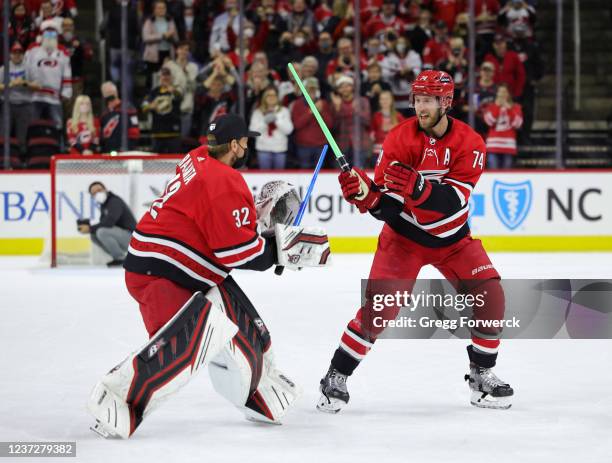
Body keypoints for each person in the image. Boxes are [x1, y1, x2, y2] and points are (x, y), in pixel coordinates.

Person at [87, 114, 330, 438]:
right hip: (160, 273)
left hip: (174, 265)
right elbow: (237, 254)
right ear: (233, 145)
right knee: (193, 337)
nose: (247, 146)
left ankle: (261, 394)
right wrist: (279, 250)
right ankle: (116, 401)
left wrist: (255, 227)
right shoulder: (225, 183)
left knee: (243, 323)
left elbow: (211, 223)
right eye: (244, 141)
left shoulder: (198, 156)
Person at [317, 70, 514, 414]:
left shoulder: (470, 143)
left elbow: (453, 202)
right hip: (404, 238)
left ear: (446, 103)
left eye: (428, 100)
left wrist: (419, 189)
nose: (420, 107)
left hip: (454, 238)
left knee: (491, 294)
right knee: (379, 311)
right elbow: (389, 209)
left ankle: (482, 373)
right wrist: (368, 198)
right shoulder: (398, 140)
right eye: (418, 99)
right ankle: (336, 375)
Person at [24, 19, 72, 132]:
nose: (50, 35)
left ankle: (60, 146)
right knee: (31, 125)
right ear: (42, 34)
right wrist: (27, 85)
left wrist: (66, 91)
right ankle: (30, 147)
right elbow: (26, 68)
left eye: (53, 33)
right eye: (47, 32)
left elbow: (67, 72)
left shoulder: (63, 51)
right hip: (35, 95)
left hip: (54, 97)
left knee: (58, 126)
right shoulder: (32, 49)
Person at [77, 181, 136, 267]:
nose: (97, 193)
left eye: (99, 190)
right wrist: (91, 229)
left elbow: (109, 222)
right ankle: (118, 258)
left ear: (105, 189)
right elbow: (104, 222)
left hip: (133, 238)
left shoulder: (114, 201)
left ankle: (121, 259)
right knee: (94, 235)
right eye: (94, 193)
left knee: (102, 232)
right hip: (124, 237)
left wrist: (90, 228)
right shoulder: (104, 205)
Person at [330, 75, 371, 168]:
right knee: (343, 174)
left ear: (352, 87)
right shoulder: (335, 103)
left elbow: (367, 121)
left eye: (347, 85)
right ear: (338, 89)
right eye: (341, 86)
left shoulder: (363, 101)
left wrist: (355, 110)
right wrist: (337, 108)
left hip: (360, 144)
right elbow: (333, 127)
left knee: (360, 174)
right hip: (342, 145)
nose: (344, 89)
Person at [291, 77, 333, 168]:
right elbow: (297, 125)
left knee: (319, 173)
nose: (312, 93)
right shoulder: (298, 104)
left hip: (320, 145)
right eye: (309, 90)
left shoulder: (323, 104)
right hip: (303, 146)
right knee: (304, 172)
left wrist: (321, 111)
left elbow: (329, 124)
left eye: (314, 90)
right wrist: (311, 112)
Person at [249, 85, 293, 169]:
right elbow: (252, 132)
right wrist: (264, 122)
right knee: (265, 178)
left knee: (279, 178)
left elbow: (289, 130)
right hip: (263, 149)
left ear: (277, 97)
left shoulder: (284, 111)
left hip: (280, 149)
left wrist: (277, 120)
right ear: (264, 97)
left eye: (274, 95)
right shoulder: (258, 112)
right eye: (269, 95)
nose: (271, 97)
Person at [0, 42, 33, 153]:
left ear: (23, 54)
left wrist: (24, 83)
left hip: (24, 105)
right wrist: (10, 85)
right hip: (8, 105)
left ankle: (21, 160)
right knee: (4, 133)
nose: (17, 55)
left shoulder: (28, 67)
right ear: (10, 54)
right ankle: (4, 159)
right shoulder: (4, 68)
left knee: (22, 136)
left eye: (19, 53)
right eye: (15, 53)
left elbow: (38, 85)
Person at [142, 67, 183, 154]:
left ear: (171, 78)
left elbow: (180, 97)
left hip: (173, 133)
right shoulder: (154, 92)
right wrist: (150, 106)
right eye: (163, 76)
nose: (165, 78)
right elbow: (143, 105)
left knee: (174, 160)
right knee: (156, 162)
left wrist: (173, 90)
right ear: (160, 78)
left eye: (167, 76)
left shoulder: (176, 89)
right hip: (157, 133)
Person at [483, 84, 523, 169]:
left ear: (508, 94)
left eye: (504, 92)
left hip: (508, 146)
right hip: (493, 145)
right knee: (493, 174)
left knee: (506, 175)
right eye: (500, 92)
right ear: (497, 93)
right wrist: (497, 107)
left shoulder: (516, 107)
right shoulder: (491, 107)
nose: (502, 94)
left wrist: (509, 109)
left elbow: (517, 124)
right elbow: (489, 122)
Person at [99, 81, 140, 153]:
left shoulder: (128, 108)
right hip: (108, 152)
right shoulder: (104, 114)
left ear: (116, 92)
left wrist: (128, 148)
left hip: (125, 151)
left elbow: (135, 132)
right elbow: (102, 135)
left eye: (110, 91)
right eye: (105, 92)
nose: (108, 94)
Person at [370, 90, 404, 161]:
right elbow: (372, 135)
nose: (384, 101)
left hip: (394, 153)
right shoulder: (376, 116)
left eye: (387, 99)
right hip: (378, 152)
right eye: (382, 99)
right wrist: (379, 133)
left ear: (391, 100)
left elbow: (404, 135)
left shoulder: (399, 117)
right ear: (379, 101)